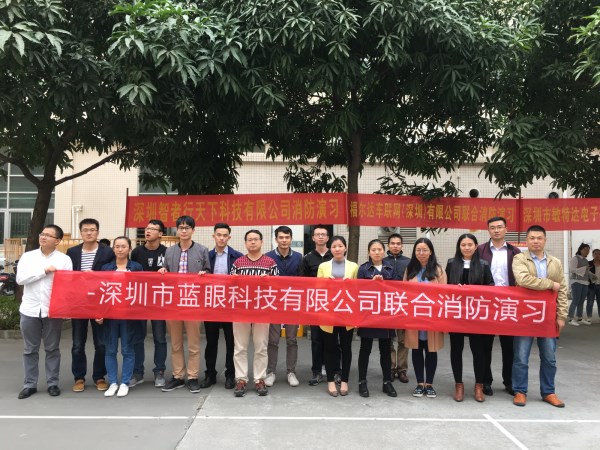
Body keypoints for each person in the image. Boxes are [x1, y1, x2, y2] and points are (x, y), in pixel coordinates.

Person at [512, 224, 567, 408]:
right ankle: (520, 391)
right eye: (532, 238)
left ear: (545, 240)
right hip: (525, 315)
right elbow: (523, 280)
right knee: (521, 357)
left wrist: (562, 315)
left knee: (549, 357)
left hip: (548, 317)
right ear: (526, 240)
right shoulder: (519, 259)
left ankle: (549, 392)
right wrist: (550, 284)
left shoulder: (555, 262)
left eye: (539, 238)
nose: (535, 241)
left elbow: (562, 290)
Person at [16, 225, 73, 399]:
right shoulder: (28, 257)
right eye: (42, 234)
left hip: (52, 310)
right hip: (29, 309)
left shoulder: (64, 260)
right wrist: (44, 271)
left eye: (48, 235)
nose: (43, 237)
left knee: (52, 349)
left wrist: (66, 308)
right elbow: (20, 279)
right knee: (30, 349)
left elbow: (68, 286)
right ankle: (29, 384)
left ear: (57, 241)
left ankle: (52, 383)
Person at [158, 215, 211, 394]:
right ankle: (178, 376)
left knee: (194, 344)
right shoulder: (169, 251)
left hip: (193, 301)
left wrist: (205, 274)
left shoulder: (202, 250)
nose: (184, 230)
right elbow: (165, 270)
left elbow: (209, 272)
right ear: (177, 230)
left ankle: (193, 376)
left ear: (193, 230)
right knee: (176, 343)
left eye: (187, 227)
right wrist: (163, 271)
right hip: (174, 302)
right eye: (181, 227)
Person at [67, 218, 115, 393]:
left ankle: (99, 376)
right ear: (80, 232)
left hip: (99, 302)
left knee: (101, 343)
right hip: (79, 302)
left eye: (92, 230)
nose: (89, 233)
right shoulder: (72, 252)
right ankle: (79, 377)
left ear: (98, 232)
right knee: (77, 343)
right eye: (85, 230)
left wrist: (95, 275)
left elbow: (112, 274)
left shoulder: (107, 252)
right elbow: (67, 276)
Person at [230, 229, 279, 397]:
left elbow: (277, 287)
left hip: (262, 310)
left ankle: (259, 379)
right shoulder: (238, 263)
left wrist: (268, 282)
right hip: (241, 310)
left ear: (261, 242)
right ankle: (241, 379)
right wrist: (234, 280)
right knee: (240, 347)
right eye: (249, 239)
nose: (252, 242)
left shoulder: (270, 263)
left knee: (261, 347)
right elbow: (230, 287)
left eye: (255, 239)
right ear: (245, 243)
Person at [446, 234, 494, 402]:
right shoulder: (451, 263)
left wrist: (476, 290)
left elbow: (491, 286)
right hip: (456, 314)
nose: (466, 248)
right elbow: (444, 286)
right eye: (463, 245)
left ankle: (478, 385)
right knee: (456, 350)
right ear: (459, 247)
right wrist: (454, 288)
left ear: (475, 246)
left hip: (476, 314)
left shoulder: (483, 264)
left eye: (469, 244)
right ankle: (458, 385)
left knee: (478, 351)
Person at [477, 216, 521, 396]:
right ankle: (485, 381)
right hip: (486, 302)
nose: (496, 230)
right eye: (492, 227)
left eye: (499, 227)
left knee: (509, 345)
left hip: (508, 302)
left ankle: (509, 382)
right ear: (488, 230)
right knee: (485, 345)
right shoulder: (480, 250)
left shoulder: (515, 251)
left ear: (506, 229)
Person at [99, 237, 144, 397]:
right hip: (110, 315)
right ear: (113, 249)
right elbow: (101, 292)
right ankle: (112, 382)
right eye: (117, 246)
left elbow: (142, 290)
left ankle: (125, 382)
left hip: (128, 315)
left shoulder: (136, 267)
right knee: (110, 350)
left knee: (127, 349)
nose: (120, 249)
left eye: (123, 246)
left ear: (129, 249)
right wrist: (99, 312)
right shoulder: (106, 268)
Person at [201, 223, 243, 390]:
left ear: (229, 237)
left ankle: (230, 375)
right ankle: (210, 374)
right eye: (219, 235)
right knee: (211, 341)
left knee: (231, 341)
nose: (222, 238)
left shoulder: (237, 256)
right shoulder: (206, 255)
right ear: (214, 236)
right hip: (211, 304)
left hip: (231, 304)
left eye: (225, 235)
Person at [404, 237, 447, 399]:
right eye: (418, 250)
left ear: (431, 252)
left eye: (425, 250)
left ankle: (429, 384)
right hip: (414, 317)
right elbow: (403, 293)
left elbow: (444, 295)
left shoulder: (438, 270)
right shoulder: (410, 269)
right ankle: (419, 383)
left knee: (431, 351)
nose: (421, 253)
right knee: (416, 350)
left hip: (432, 318)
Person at [317, 235, 359, 397]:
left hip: (347, 312)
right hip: (329, 312)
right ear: (330, 249)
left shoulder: (354, 266)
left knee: (346, 348)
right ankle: (330, 381)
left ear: (345, 248)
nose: (337, 249)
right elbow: (317, 289)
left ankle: (345, 380)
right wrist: (326, 283)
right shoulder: (323, 266)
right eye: (334, 246)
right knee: (329, 348)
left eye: (340, 246)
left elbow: (359, 290)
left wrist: (351, 284)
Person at [357, 239, 397, 398]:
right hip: (368, 314)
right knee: (365, 349)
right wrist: (371, 284)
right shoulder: (363, 269)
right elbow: (358, 291)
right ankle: (362, 381)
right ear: (369, 252)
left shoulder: (391, 268)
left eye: (379, 249)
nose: (377, 252)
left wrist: (383, 282)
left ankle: (387, 382)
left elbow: (396, 289)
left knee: (385, 350)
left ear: (384, 251)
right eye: (373, 249)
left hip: (386, 315)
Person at [130, 219, 168, 388]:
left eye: (153, 229)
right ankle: (137, 372)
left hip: (159, 301)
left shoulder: (167, 252)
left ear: (160, 233)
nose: (148, 231)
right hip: (140, 300)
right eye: (147, 228)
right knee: (138, 337)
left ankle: (159, 371)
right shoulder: (136, 252)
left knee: (160, 338)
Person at [265, 226, 303, 387]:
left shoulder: (299, 258)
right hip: (273, 303)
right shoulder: (268, 257)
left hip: (292, 303)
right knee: (272, 340)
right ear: (276, 239)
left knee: (292, 340)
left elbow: (303, 281)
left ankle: (291, 372)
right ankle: (271, 372)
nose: (284, 240)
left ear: (291, 239)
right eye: (281, 237)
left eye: (287, 237)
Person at [300, 225, 337, 386]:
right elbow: (302, 282)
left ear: (328, 238)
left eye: (323, 234)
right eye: (318, 234)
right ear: (313, 238)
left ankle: (334, 370)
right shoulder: (307, 258)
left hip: (335, 304)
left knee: (333, 340)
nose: (321, 237)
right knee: (316, 339)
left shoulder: (335, 255)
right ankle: (316, 371)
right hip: (315, 304)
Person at [384, 233, 410, 384]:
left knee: (403, 340)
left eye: (398, 243)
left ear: (402, 245)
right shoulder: (382, 261)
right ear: (388, 245)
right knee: (388, 339)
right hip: (387, 305)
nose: (395, 246)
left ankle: (402, 369)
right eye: (392, 243)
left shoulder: (409, 262)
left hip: (403, 305)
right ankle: (390, 367)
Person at [567, 243, 591, 326]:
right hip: (576, 281)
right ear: (580, 250)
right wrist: (584, 268)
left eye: (588, 250)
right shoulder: (575, 258)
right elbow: (571, 269)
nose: (587, 251)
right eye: (585, 249)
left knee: (581, 301)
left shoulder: (586, 260)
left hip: (585, 282)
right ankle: (570, 318)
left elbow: (587, 271)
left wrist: (592, 276)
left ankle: (579, 318)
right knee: (575, 300)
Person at [585, 249, 600, 321]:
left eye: (599, 254)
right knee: (590, 302)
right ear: (592, 255)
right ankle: (589, 317)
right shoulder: (589, 263)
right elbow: (585, 274)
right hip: (591, 286)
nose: (597, 255)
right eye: (595, 253)